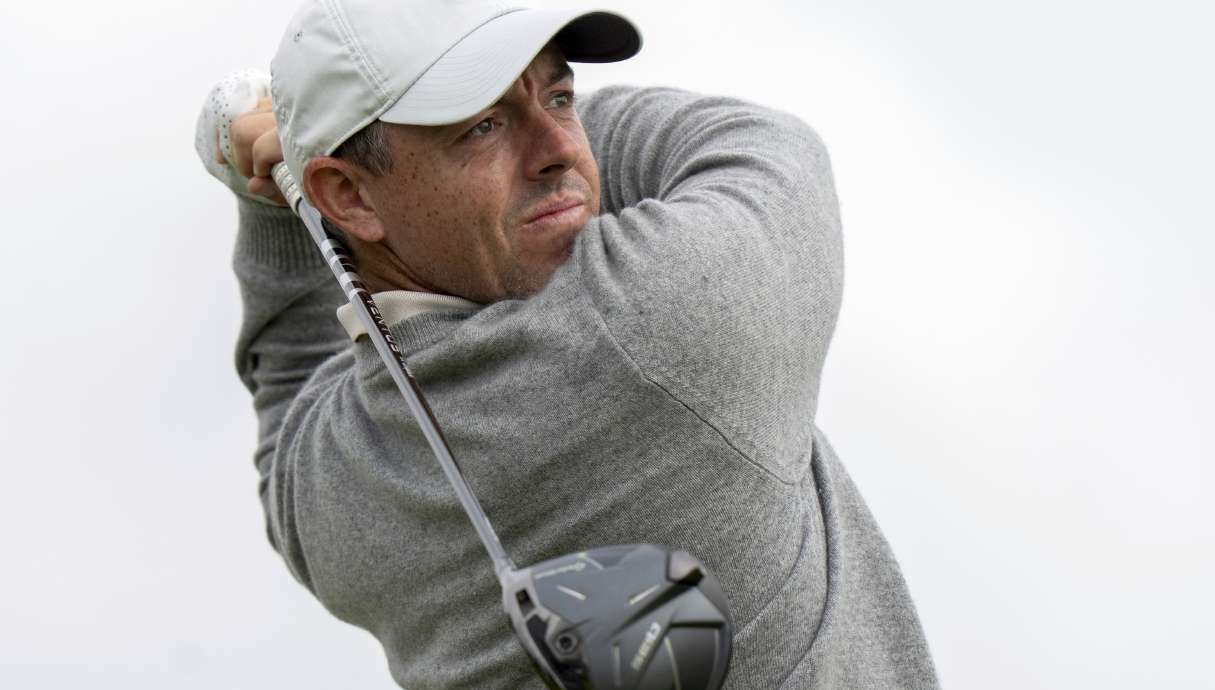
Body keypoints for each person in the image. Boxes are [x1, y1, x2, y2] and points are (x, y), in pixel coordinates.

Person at [200, 0, 940, 687]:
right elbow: (764, 147)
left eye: (562, 97)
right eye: (481, 125)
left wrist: (276, 195)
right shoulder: (656, 316)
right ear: (352, 197)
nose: (559, 146)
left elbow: (291, 376)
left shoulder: (335, 491)